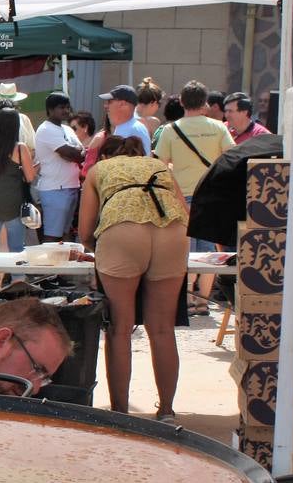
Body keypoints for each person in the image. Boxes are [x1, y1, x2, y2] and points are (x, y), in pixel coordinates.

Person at [78, 135, 190, 419]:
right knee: (163, 329)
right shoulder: (158, 165)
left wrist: (100, 250)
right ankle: (166, 410)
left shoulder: (99, 170)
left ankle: (120, 414)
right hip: (173, 231)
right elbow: (185, 212)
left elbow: (84, 231)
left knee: (120, 329)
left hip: (122, 231)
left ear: (105, 156)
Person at [154, 79, 235, 313]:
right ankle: (203, 300)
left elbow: (160, 165)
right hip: (211, 195)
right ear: (206, 103)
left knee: (186, 250)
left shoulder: (170, 130)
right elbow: (230, 157)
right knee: (209, 251)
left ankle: (188, 298)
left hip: (182, 195)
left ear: (181, 102)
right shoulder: (218, 127)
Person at [0, 102, 37, 255]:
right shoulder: (20, 148)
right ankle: (17, 278)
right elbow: (30, 177)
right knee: (17, 248)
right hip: (13, 203)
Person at [33, 91, 85, 243]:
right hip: (54, 189)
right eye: (61, 107)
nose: (66, 111)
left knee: (67, 232)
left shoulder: (67, 129)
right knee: (52, 235)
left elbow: (81, 152)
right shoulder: (45, 129)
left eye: (68, 107)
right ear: (50, 109)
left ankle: (64, 266)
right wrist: (72, 152)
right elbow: (71, 153)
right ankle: (49, 266)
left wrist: (72, 153)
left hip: (71, 187)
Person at [98, 84, 152, 156]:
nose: (105, 106)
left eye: (110, 102)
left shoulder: (131, 129)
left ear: (123, 104)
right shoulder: (129, 127)